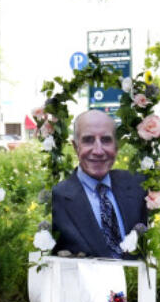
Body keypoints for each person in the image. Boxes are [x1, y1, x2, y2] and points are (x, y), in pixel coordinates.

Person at [51, 109, 147, 258]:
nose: (98, 150)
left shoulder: (139, 186)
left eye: (106, 140)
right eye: (88, 140)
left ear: (116, 146)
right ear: (75, 147)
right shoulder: (57, 199)